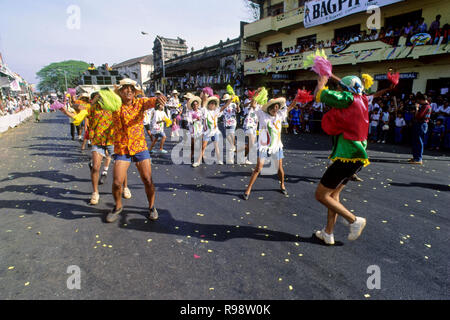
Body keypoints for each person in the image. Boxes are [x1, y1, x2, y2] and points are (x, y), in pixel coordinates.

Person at [313, 75, 370, 245]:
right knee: (333, 194)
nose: (337, 90)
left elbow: (322, 95)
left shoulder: (348, 98)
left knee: (321, 195)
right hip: (356, 158)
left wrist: (322, 82)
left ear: (345, 90)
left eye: (339, 88)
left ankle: (353, 220)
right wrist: (330, 74)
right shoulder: (362, 99)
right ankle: (328, 233)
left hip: (346, 157)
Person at [107, 78, 167, 223]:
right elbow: (99, 102)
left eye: (131, 89)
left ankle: (152, 207)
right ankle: (118, 207)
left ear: (135, 92)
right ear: (120, 92)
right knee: (116, 182)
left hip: (139, 147)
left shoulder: (140, 103)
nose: (128, 90)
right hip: (122, 148)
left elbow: (152, 101)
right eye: (125, 88)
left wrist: (159, 100)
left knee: (147, 179)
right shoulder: (114, 105)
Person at [59, 90, 132, 205]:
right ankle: (95, 192)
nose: (100, 99)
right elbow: (77, 114)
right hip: (97, 141)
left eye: (101, 97)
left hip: (113, 141)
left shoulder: (114, 107)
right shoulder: (91, 108)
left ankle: (126, 187)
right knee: (96, 167)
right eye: (98, 97)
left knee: (121, 166)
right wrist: (65, 111)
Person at [243, 95, 296, 200]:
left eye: (277, 107)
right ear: (269, 108)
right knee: (258, 168)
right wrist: (257, 94)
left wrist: (298, 98)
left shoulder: (280, 115)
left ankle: (282, 185)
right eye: (273, 107)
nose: (275, 109)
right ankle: (248, 189)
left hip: (277, 146)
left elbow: (291, 106)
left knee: (279, 168)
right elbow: (253, 105)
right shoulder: (262, 115)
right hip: (263, 147)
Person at [409, 93, 431, 165]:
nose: (417, 102)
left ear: (421, 100)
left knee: (419, 141)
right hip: (420, 124)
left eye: (418, 100)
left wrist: (417, 109)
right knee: (416, 140)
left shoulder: (426, 106)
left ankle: (418, 158)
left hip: (421, 124)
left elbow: (419, 116)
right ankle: (415, 157)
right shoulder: (425, 106)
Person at [221, 93, 240, 164]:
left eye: (227, 100)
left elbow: (238, 111)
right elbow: (221, 111)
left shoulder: (233, 105)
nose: (226, 101)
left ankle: (231, 158)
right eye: (225, 100)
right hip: (226, 123)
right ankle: (232, 154)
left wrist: (237, 104)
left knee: (231, 136)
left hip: (232, 122)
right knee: (229, 140)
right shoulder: (222, 106)